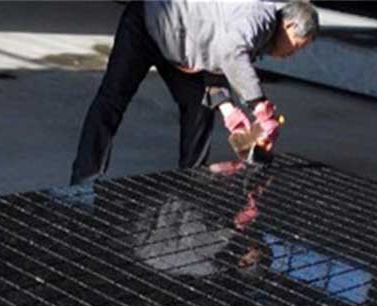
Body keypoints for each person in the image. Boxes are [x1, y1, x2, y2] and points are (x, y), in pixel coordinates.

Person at [70, 0, 319, 186]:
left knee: (200, 109)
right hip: (146, 25)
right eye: (296, 47)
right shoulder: (260, 18)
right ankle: (84, 179)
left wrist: (229, 111)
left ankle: (188, 180)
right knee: (111, 101)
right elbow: (231, 53)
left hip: (180, 48)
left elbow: (216, 60)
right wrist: (259, 106)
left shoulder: (260, 37)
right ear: (289, 25)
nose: (291, 55)